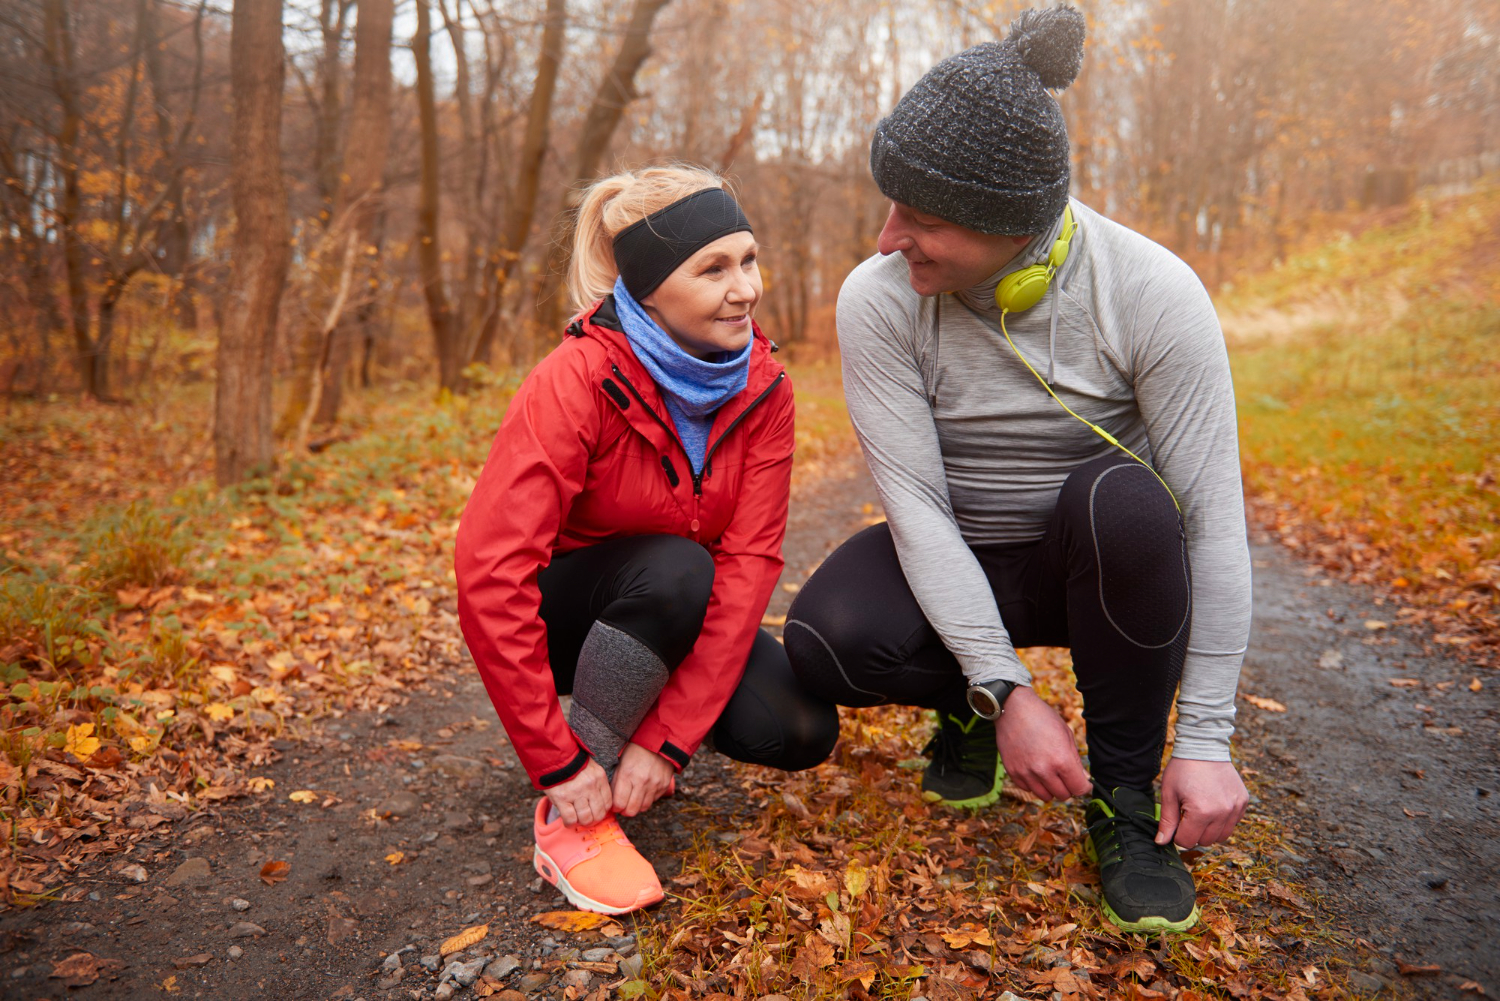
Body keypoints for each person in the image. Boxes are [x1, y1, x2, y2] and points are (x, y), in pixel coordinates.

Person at [782, 6, 1253, 933]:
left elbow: (1213, 522)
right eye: (890, 207)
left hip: (1099, 568)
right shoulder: (877, 302)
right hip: (961, 551)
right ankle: (965, 705)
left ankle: (1122, 801)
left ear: (1013, 227)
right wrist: (1000, 686)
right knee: (826, 637)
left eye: (919, 219)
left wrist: (1204, 739)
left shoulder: (1152, 293)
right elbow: (914, 504)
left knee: (1128, 502)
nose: (885, 239)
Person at [455, 165, 837, 916]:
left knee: (798, 726)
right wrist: (556, 761)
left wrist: (667, 739)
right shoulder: (577, 379)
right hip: (570, 618)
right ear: (651, 288)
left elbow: (750, 563)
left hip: (674, 604)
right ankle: (575, 814)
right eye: (714, 268)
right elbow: (490, 572)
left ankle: (628, 723)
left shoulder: (766, 388)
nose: (746, 288)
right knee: (677, 568)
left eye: (749, 259)